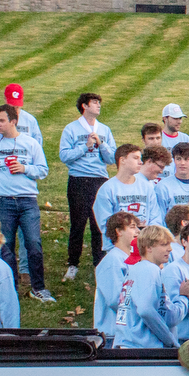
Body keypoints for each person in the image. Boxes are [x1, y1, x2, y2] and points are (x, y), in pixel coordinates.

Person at [0, 104, 53, 302]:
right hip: (3, 202)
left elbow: (43, 169)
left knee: (33, 244)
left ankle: (38, 288)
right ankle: (10, 288)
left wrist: (25, 168)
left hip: (27, 200)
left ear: (14, 122)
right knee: (6, 246)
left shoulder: (30, 144)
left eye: (2, 121)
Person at [60, 92, 118, 280]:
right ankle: (73, 264)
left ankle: (99, 264)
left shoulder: (105, 130)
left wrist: (101, 145)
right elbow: (64, 156)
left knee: (98, 224)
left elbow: (111, 158)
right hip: (78, 180)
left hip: (99, 180)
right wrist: (85, 146)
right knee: (77, 224)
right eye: (94, 102)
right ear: (84, 106)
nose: (98, 105)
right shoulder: (71, 129)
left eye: (99, 102)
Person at [114, 225, 189, 349]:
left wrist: (183, 298)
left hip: (127, 344)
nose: (170, 249)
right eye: (164, 244)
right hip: (141, 350)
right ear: (148, 247)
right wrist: (170, 340)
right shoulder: (150, 270)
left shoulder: (134, 270)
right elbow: (145, 310)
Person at [92, 143, 160, 238]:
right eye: (135, 158)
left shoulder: (146, 187)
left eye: (140, 159)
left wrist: (146, 233)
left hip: (144, 244)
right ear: (122, 160)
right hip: (118, 246)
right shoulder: (107, 189)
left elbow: (156, 217)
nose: (140, 162)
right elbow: (105, 225)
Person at [93, 212, 140, 343]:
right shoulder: (112, 261)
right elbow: (116, 301)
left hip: (131, 334)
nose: (138, 231)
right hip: (113, 337)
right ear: (118, 231)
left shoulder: (135, 260)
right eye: (132, 227)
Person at [0, 84, 43, 148]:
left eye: (17, 105)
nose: (14, 108)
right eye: (12, 104)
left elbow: (37, 146)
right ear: (5, 99)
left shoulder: (30, 120)